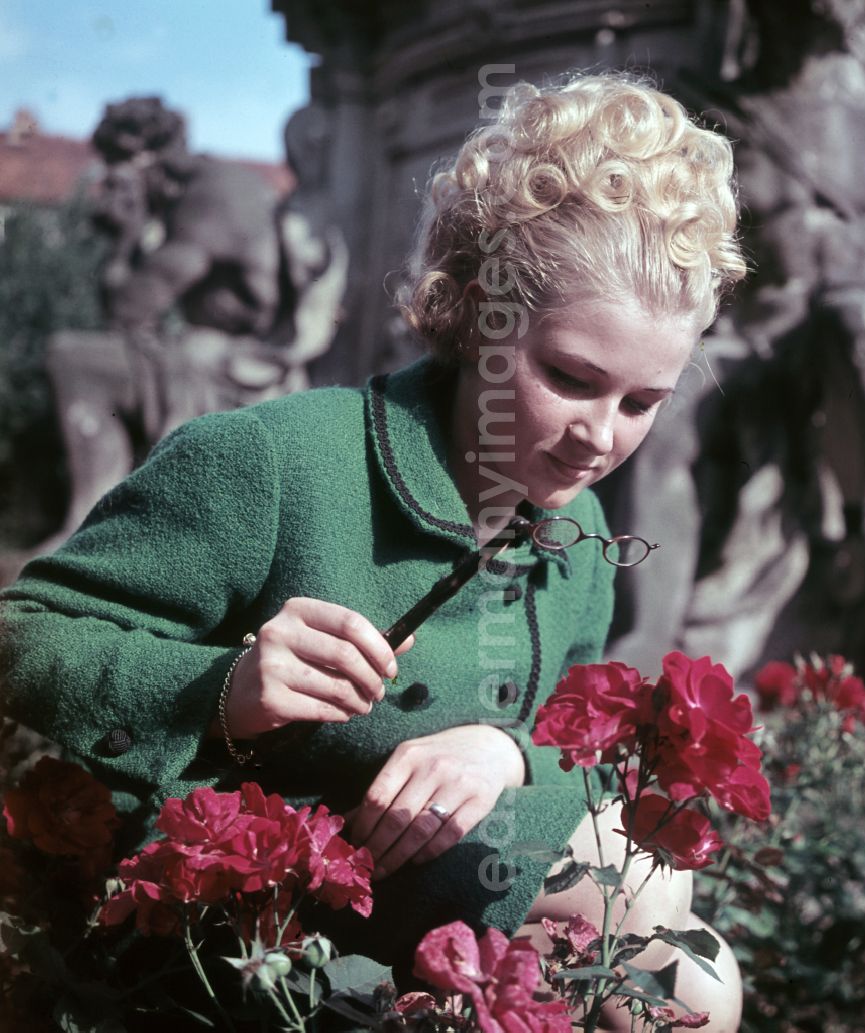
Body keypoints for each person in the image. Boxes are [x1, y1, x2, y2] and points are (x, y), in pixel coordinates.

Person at [0, 73, 745, 1030]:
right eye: (570, 377)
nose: (599, 438)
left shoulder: (587, 530)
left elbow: (584, 746)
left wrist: (509, 755)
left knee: (686, 968)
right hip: (257, 933)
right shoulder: (275, 460)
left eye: (643, 402)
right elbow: (25, 635)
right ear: (480, 313)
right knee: (666, 947)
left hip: (461, 913)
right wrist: (224, 689)